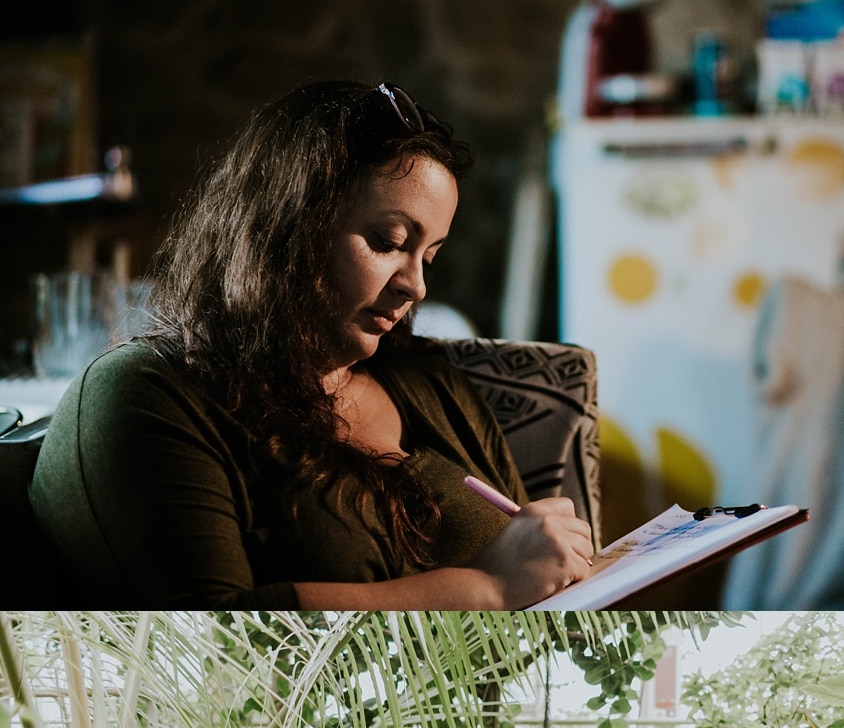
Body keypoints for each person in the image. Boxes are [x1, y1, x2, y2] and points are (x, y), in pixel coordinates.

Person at [29, 80, 594, 612]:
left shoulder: (432, 383)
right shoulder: (143, 395)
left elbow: (541, 575)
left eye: (430, 255)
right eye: (389, 242)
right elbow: (212, 644)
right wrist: (486, 588)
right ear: (286, 227)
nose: (416, 285)